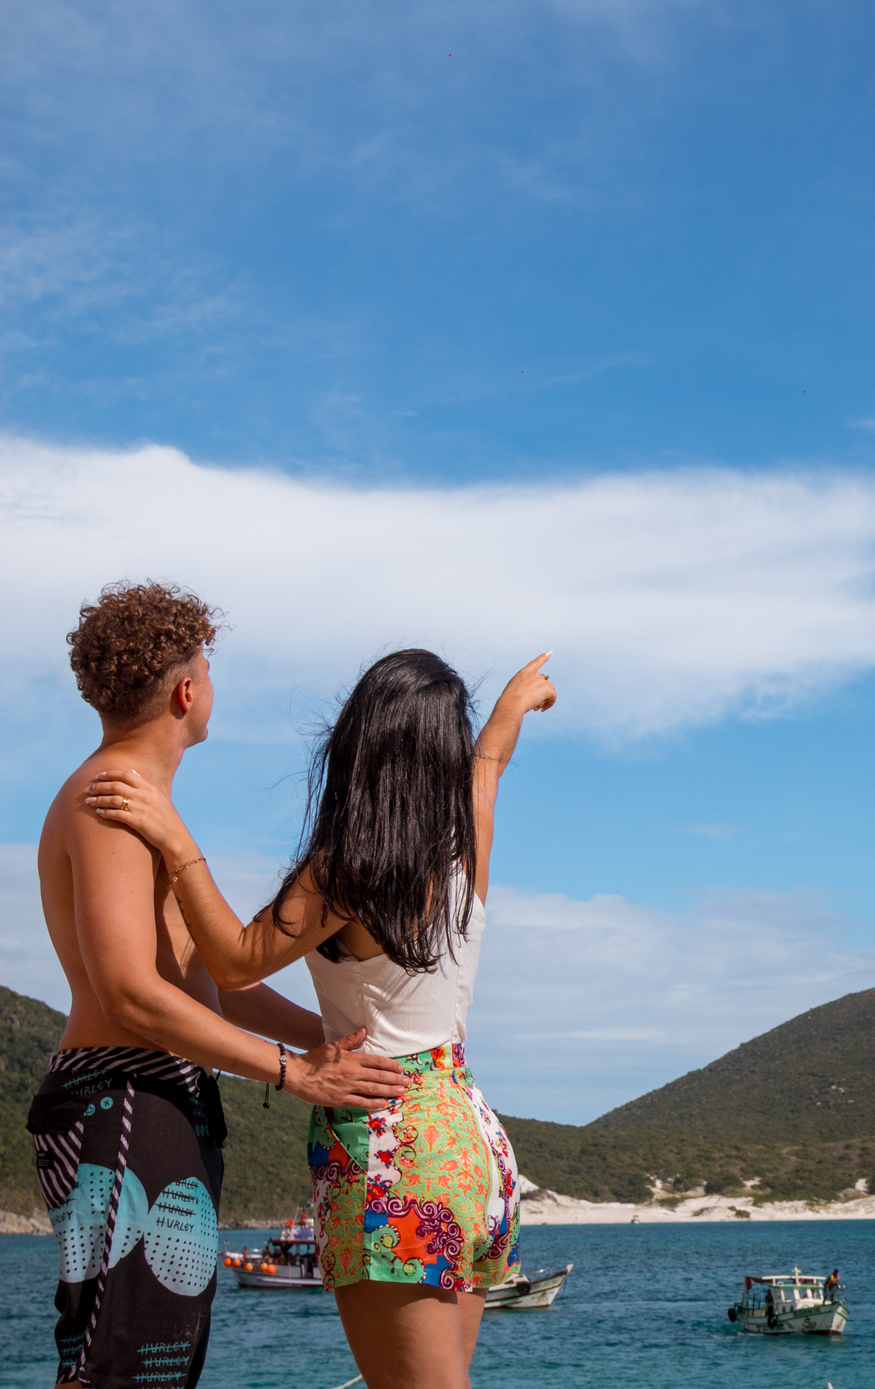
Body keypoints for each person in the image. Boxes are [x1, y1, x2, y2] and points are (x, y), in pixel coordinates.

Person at [83, 644, 557, 1389]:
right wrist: (511, 705)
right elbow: (489, 764)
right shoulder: (464, 846)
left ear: (360, 743)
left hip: (389, 1142)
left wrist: (178, 845)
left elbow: (237, 962)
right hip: (468, 1140)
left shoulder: (351, 869)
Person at [33, 581, 410, 1389]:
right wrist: (291, 1072)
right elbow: (129, 992)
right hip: (121, 1101)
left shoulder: (142, 803)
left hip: (154, 1100)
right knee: (121, 1369)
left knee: (156, 1366)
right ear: (185, 691)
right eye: (209, 668)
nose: (212, 684)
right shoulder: (110, 799)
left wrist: (331, 1040)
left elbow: (204, 982)